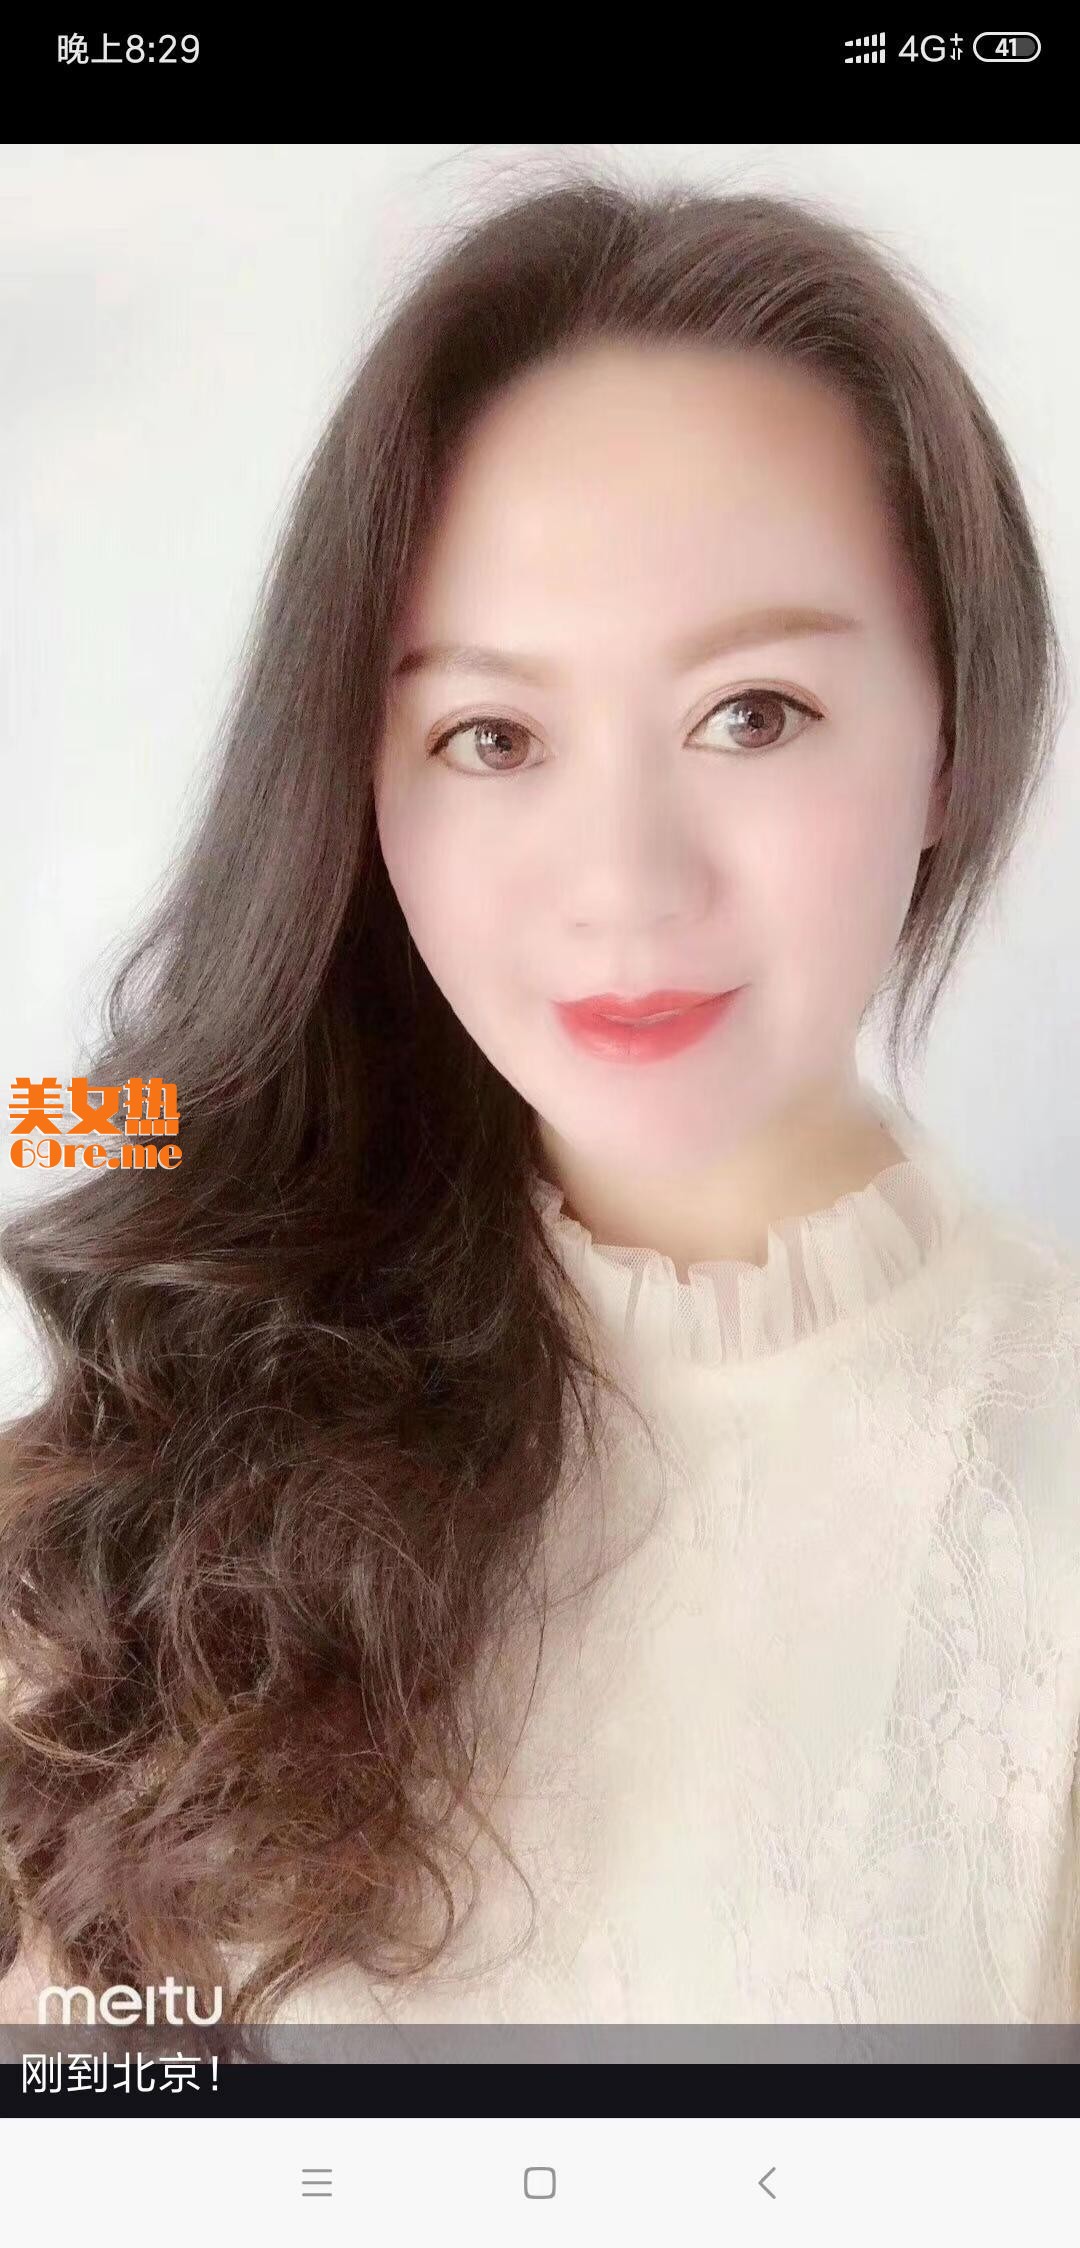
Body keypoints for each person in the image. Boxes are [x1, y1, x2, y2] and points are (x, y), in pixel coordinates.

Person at [1, 160, 1077, 2031]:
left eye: (752, 713)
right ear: (361, 789)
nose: (623, 888)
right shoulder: (158, 1430)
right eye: (490, 735)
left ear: (951, 733)